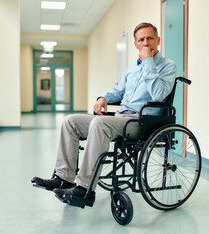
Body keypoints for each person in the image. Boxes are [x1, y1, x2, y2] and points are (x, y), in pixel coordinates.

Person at [31, 22, 177, 207]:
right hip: (120, 118)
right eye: (141, 40)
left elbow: (158, 94)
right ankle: (63, 178)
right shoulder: (132, 68)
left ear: (158, 40)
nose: (146, 43)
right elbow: (119, 91)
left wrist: (148, 61)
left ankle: (84, 189)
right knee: (70, 121)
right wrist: (103, 98)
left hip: (142, 121)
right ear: (135, 44)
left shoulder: (168, 66)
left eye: (150, 38)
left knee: (99, 124)